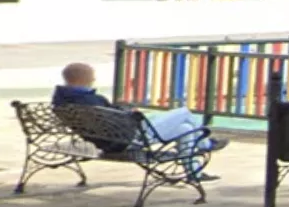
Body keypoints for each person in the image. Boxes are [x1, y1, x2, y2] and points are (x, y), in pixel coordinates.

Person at [50, 63, 211, 162]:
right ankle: (206, 144)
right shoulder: (90, 100)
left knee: (186, 128)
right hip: (130, 138)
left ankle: (193, 173)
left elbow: (107, 119)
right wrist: (129, 112)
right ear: (83, 79)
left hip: (110, 141)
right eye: (92, 77)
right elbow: (114, 119)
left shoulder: (63, 100)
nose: (93, 80)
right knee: (184, 113)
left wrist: (124, 111)